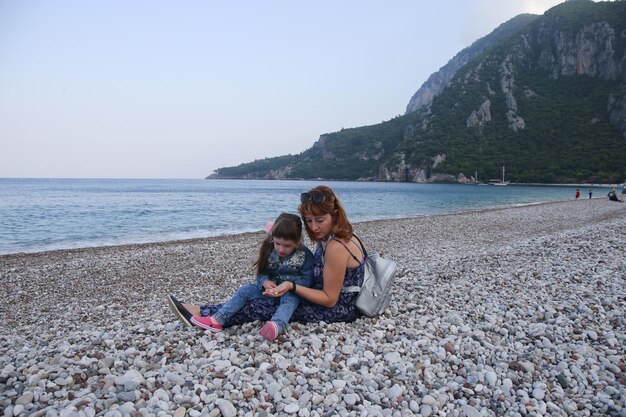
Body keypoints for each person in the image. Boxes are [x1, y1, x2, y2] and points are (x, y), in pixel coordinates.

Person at [168, 185, 366, 340]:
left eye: (320, 220)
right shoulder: (340, 236)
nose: (313, 227)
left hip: (337, 310)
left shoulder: (336, 247)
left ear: (335, 215)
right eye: (308, 220)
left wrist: (291, 286)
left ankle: (203, 313)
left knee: (263, 306)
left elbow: (330, 299)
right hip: (329, 301)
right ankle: (206, 312)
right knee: (257, 295)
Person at [169, 212, 314, 341]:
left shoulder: (305, 255)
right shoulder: (269, 248)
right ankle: (217, 320)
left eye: (287, 246)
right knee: (245, 290)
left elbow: (307, 280)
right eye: (277, 243)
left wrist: (289, 286)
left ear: (297, 241)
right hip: (269, 290)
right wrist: (264, 281)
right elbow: (262, 273)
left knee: (289, 300)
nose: (281, 249)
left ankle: (276, 325)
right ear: (272, 238)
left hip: (291, 291)